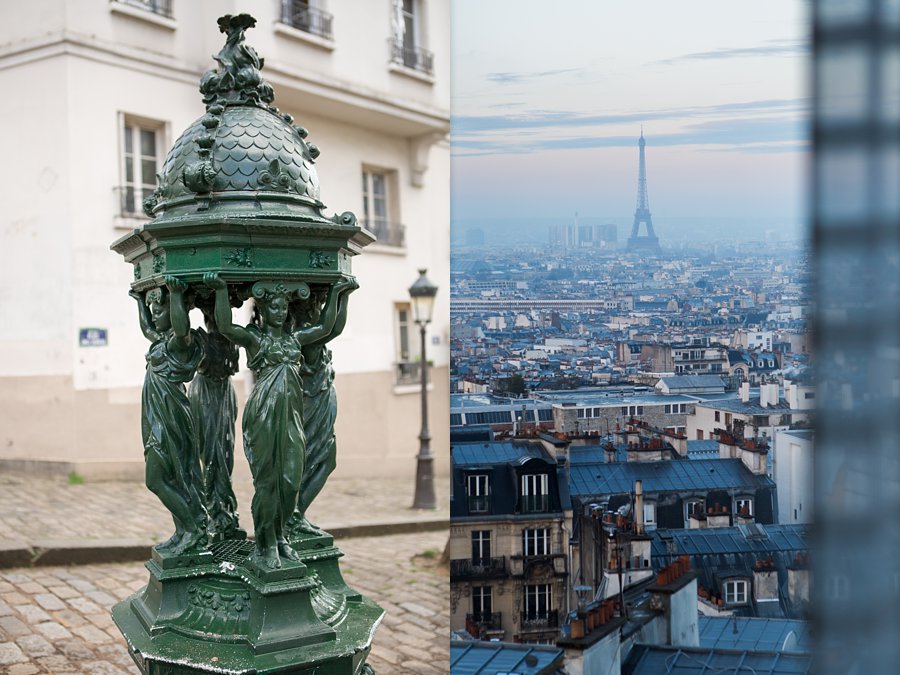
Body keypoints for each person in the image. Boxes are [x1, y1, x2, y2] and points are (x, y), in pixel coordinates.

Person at [205, 272, 357, 569]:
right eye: (273, 306)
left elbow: (329, 327)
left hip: (290, 418)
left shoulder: (295, 339)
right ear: (263, 309)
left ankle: (283, 535)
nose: (280, 311)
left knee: (290, 480)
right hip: (263, 415)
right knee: (268, 483)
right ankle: (266, 543)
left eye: (283, 306)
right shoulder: (255, 339)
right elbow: (225, 326)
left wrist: (342, 294)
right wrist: (221, 290)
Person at [131, 276, 207, 556]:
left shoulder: (179, 343)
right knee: (175, 476)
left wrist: (175, 295)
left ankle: (193, 530)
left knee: (158, 478)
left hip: (171, 417)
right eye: (154, 310)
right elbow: (146, 328)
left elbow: (181, 327)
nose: (154, 315)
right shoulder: (161, 342)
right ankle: (183, 531)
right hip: (155, 414)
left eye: (160, 310)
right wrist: (140, 301)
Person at [287, 286, 352, 536]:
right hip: (309, 405)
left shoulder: (308, 332)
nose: (319, 307)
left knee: (323, 460)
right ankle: (293, 514)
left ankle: (297, 513)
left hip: (322, 401)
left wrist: (341, 297)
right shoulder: (303, 333)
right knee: (311, 461)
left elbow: (331, 326)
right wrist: (340, 295)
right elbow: (333, 327)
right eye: (316, 304)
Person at [190, 297, 243, 541]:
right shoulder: (200, 339)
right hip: (206, 394)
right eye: (213, 312)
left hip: (224, 393)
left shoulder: (231, 339)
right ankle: (212, 510)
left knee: (225, 451)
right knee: (210, 452)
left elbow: (233, 366)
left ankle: (225, 512)